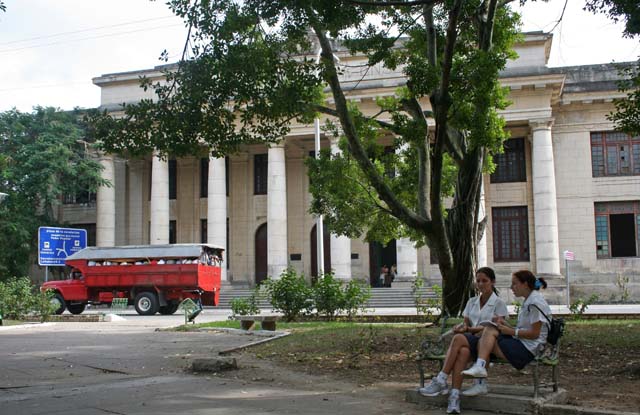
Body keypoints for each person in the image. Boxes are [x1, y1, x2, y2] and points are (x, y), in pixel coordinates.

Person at [419, 267, 508, 414]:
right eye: (478, 281)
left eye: (484, 281)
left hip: (486, 347)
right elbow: (466, 322)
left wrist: (466, 330)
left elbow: (494, 329)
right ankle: (454, 398)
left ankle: (441, 379)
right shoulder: (472, 301)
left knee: (459, 338)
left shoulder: (499, 303)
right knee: (463, 352)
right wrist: (462, 327)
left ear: (492, 282)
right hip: (469, 343)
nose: (480, 284)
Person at [461, 270, 551, 385]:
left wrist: (510, 331)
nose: (511, 287)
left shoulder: (535, 303)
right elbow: (524, 328)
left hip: (528, 350)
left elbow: (535, 334)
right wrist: (504, 324)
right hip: (523, 344)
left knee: (485, 337)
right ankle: (480, 374)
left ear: (525, 284)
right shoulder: (530, 300)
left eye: (514, 283)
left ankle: (479, 371)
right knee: (487, 336)